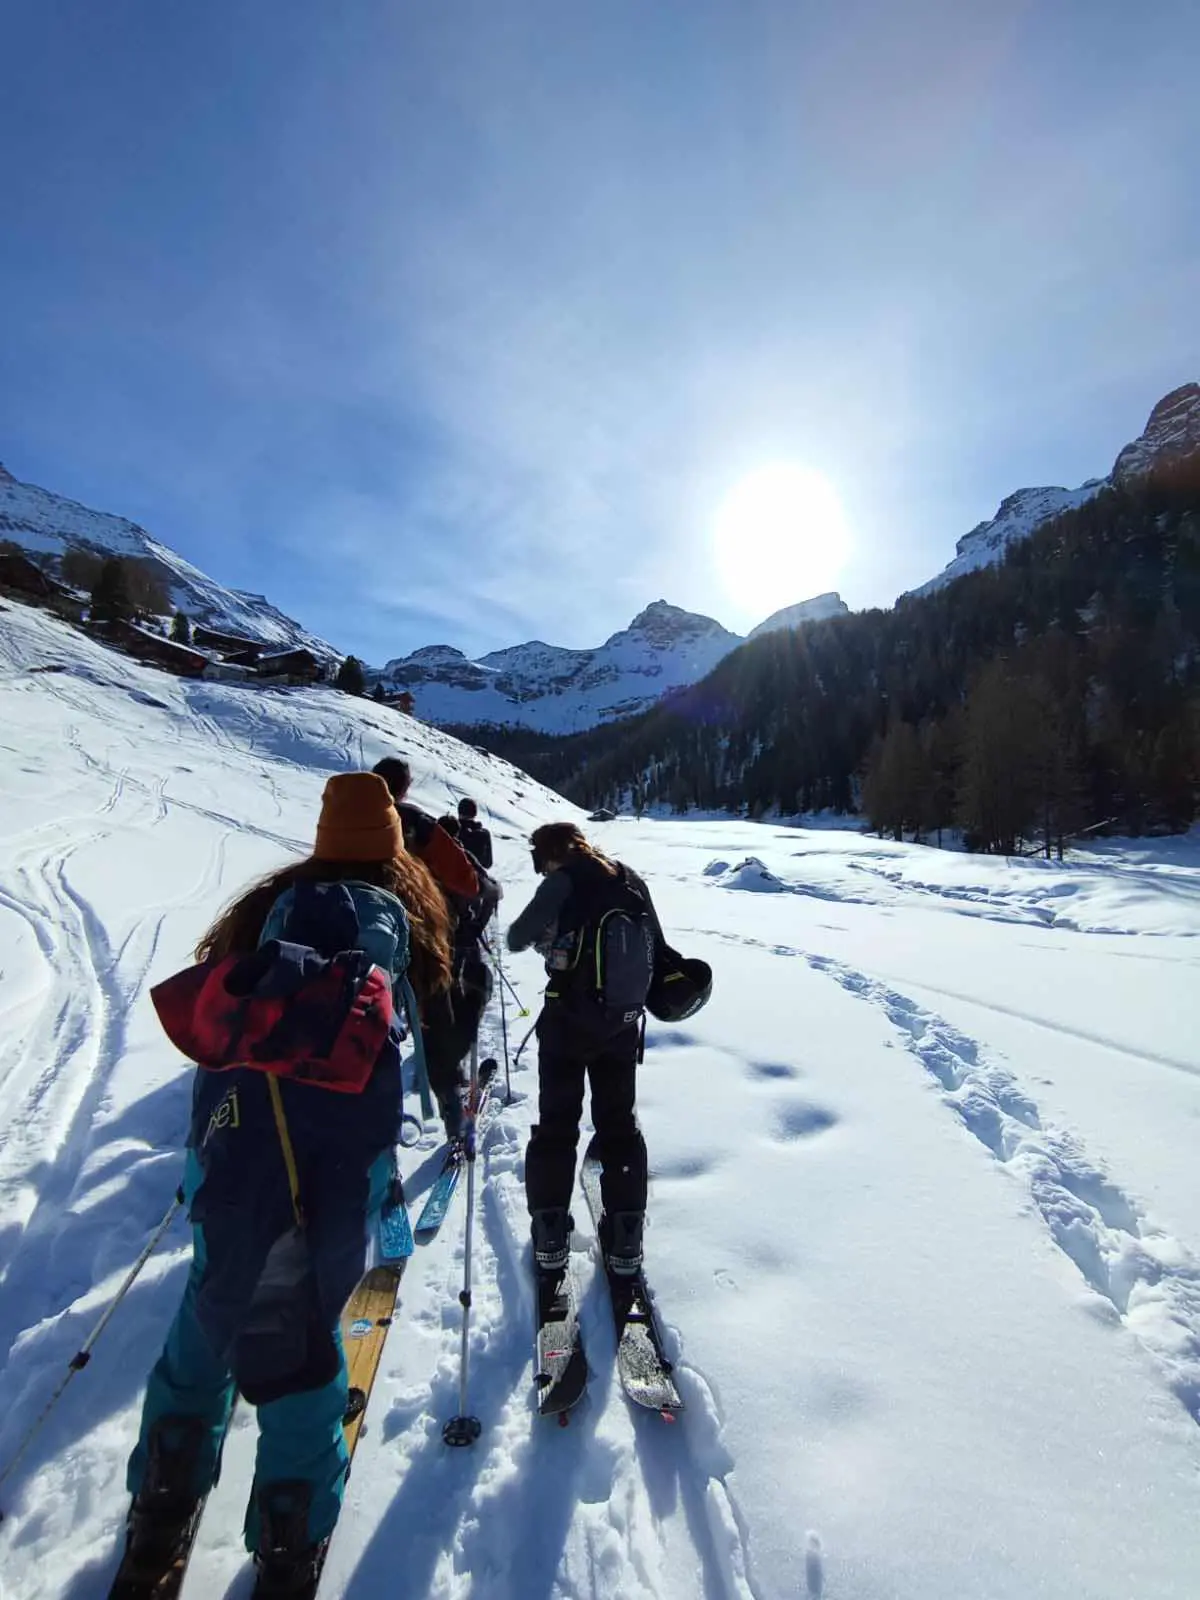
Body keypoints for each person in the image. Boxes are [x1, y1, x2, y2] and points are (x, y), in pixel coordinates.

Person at [122, 773, 451, 1594]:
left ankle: (163, 1496)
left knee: (210, 1306)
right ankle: (288, 1534)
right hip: (331, 1162)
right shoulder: (393, 918)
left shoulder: (268, 909)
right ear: (390, 843)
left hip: (232, 1139)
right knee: (303, 1334)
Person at [507, 822, 669, 1282]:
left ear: (548, 854)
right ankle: (626, 1239)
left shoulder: (562, 882)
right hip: (620, 1024)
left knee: (557, 1126)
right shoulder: (628, 877)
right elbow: (656, 945)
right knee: (619, 1126)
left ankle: (550, 1237)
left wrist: (554, 938)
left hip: (567, 1024)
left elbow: (517, 937)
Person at [372, 757, 479, 902]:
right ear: (404, 789)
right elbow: (468, 882)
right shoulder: (416, 821)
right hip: (389, 901)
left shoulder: (343, 806)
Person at [456, 797, 493, 870]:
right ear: (475, 814)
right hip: (470, 874)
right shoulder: (483, 834)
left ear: (459, 812)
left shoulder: (450, 828)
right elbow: (488, 864)